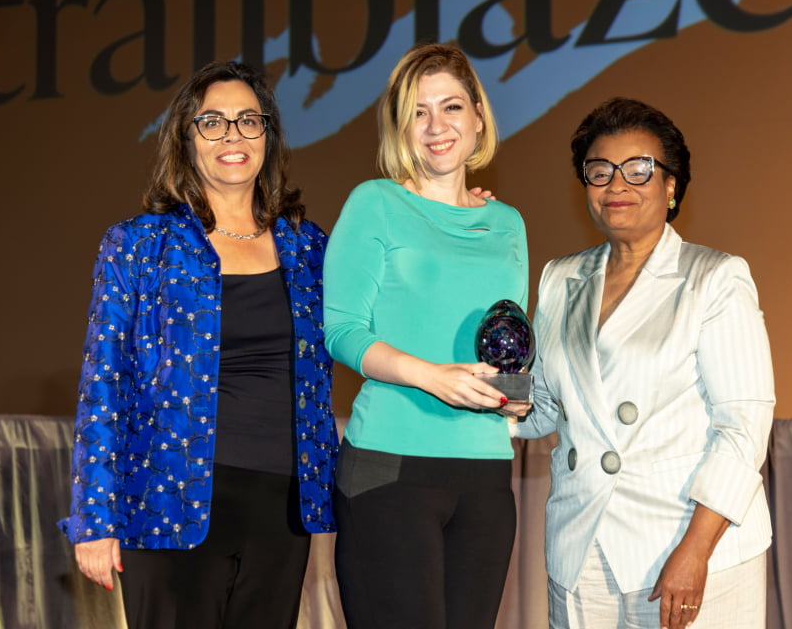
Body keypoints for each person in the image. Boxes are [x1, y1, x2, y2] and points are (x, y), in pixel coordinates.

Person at [57, 60, 337, 629]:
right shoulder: (138, 245)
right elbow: (104, 383)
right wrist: (94, 518)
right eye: (212, 122)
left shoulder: (309, 247)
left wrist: (455, 207)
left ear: (269, 136)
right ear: (186, 138)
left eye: (247, 121)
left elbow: (386, 309)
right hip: (170, 502)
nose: (232, 136)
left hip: (284, 507)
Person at [513, 97, 775, 629]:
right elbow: (540, 410)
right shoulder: (560, 279)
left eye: (639, 170)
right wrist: (474, 383)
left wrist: (695, 550)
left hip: (687, 543)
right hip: (580, 548)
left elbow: (743, 427)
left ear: (671, 185)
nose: (617, 186)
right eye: (600, 171)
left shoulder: (714, 278)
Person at [322, 42, 530, 629]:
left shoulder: (507, 221)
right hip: (391, 466)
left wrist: (516, 394)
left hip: (487, 473)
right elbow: (340, 330)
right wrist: (431, 377)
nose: (437, 126)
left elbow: (505, 337)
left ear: (479, 117)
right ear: (400, 126)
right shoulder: (375, 203)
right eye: (418, 111)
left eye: (452, 107)